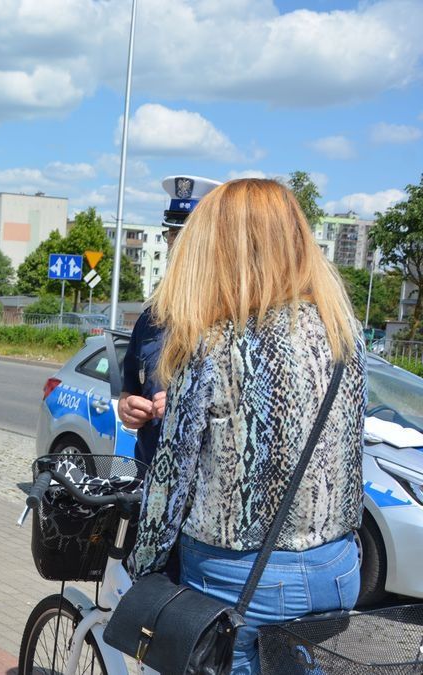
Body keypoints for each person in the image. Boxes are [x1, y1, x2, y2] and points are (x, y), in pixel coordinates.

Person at [128, 178, 367, 674]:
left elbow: (171, 478)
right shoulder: (343, 332)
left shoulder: (213, 343)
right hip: (337, 566)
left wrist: (143, 565)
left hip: (242, 576)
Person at [117, 175, 220, 466]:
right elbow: (129, 392)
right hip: (148, 478)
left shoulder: (230, 320)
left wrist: (182, 404)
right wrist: (127, 408)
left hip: (200, 492)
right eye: (172, 235)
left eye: (185, 236)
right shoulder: (151, 318)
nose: (176, 245)